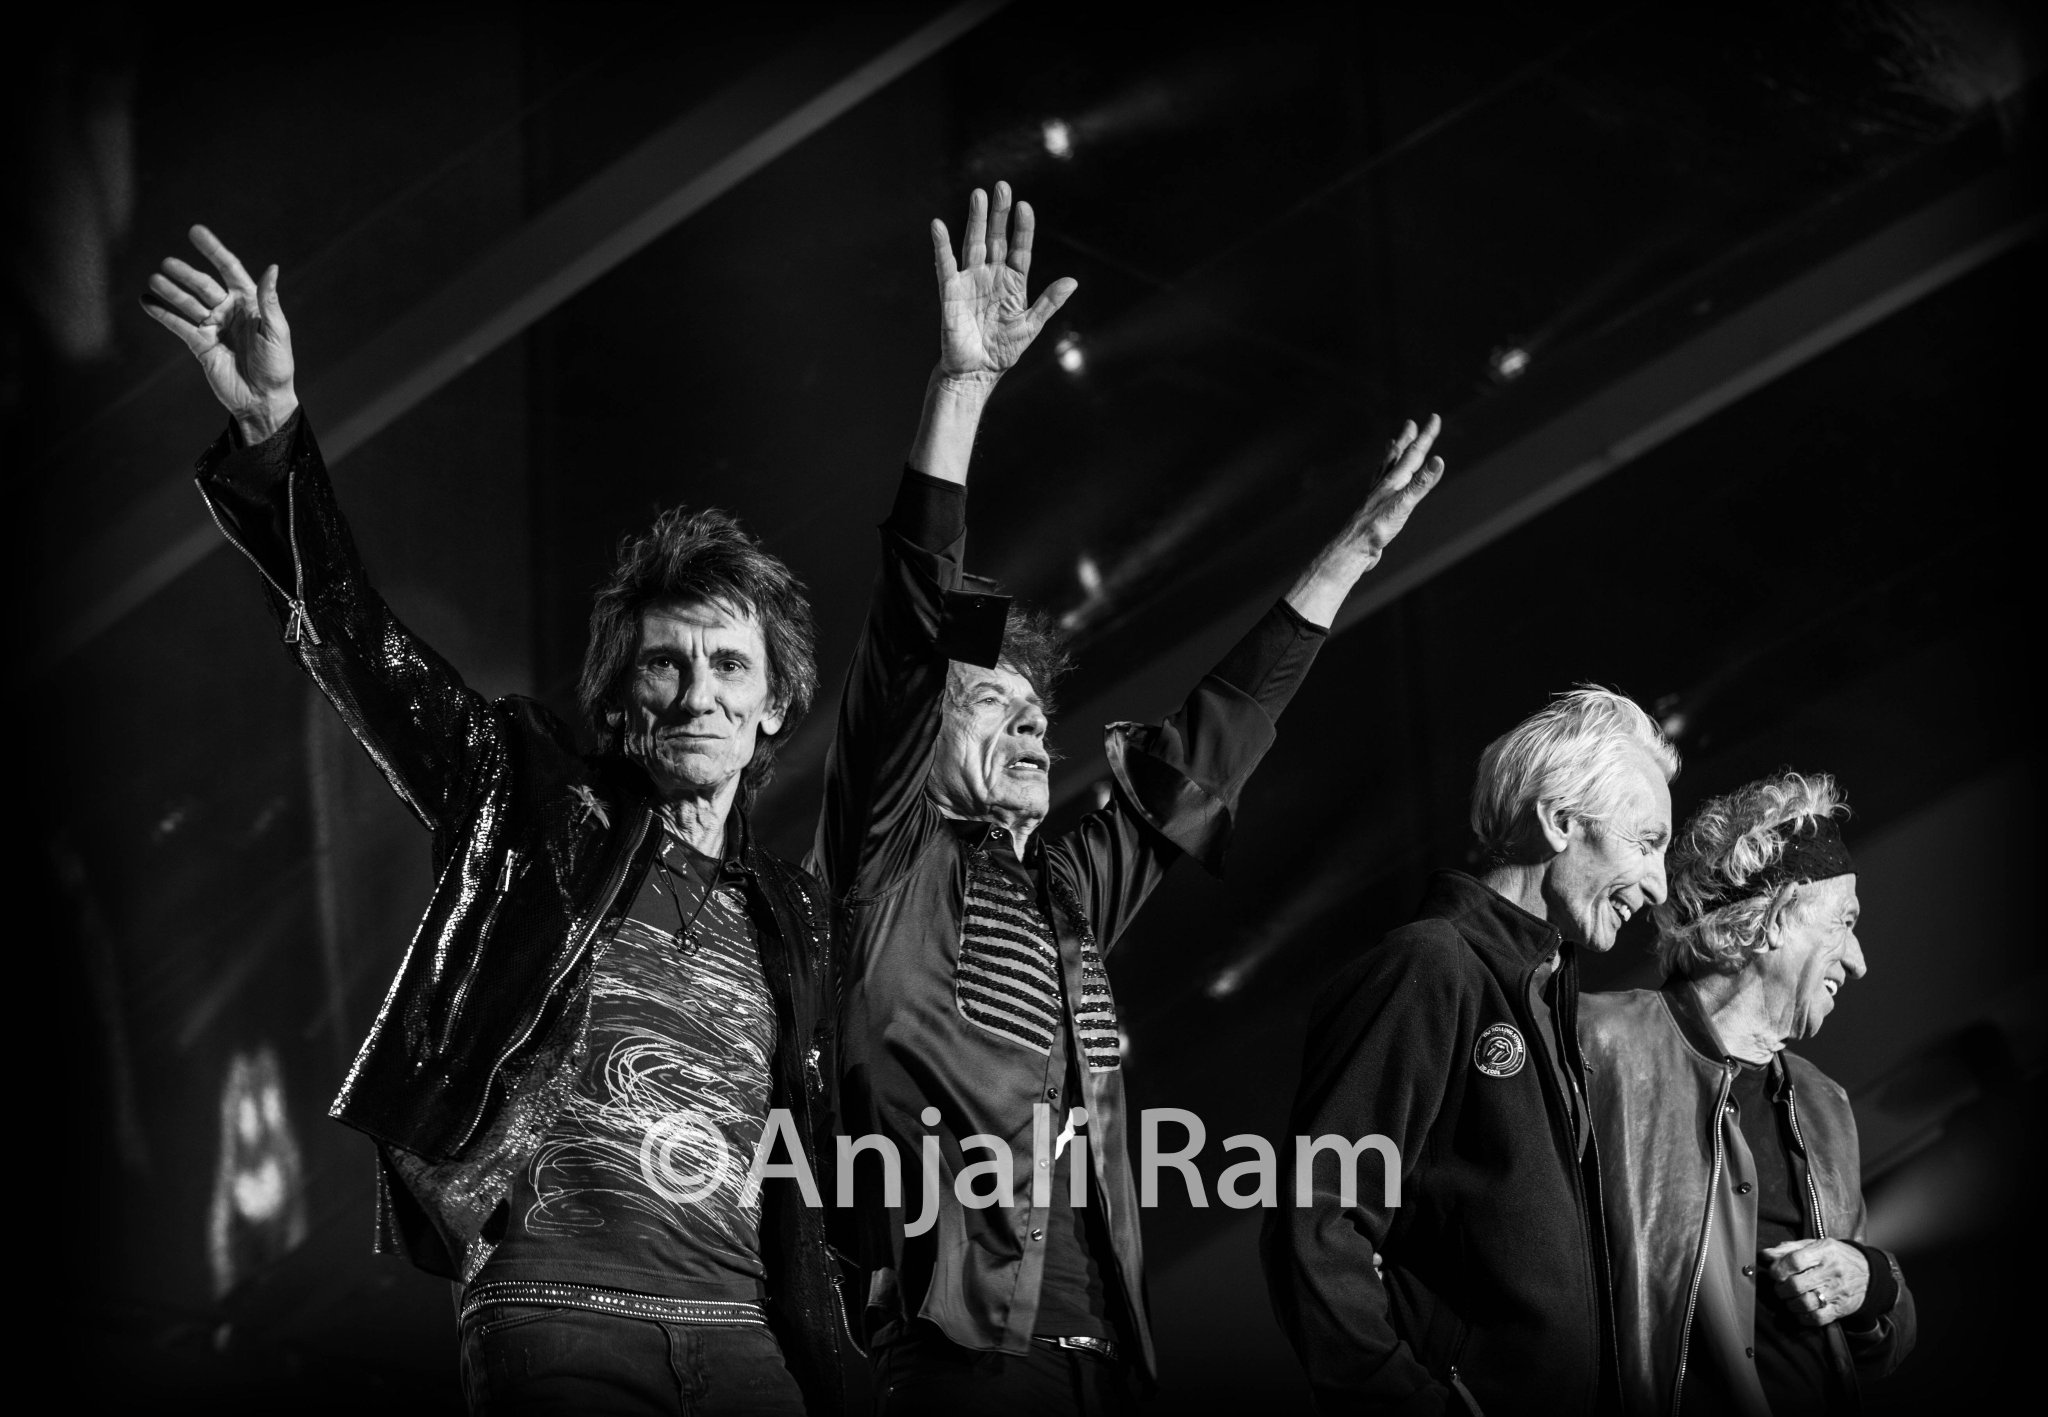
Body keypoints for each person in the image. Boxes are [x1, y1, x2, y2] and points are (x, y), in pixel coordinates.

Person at [145, 226, 852, 1415]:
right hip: (561, 1315)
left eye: (729, 664)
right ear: (619, 696)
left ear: (775, 703)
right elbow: (359, 646)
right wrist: (274, 437)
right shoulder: (529, 801)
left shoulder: (790, 915)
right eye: (665, 663)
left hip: (748, 1339)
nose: (697, 693)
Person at [810, 181, 1446, 1415]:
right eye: (989, 703)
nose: (1029, 723)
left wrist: (1350, 555)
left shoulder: (1063, 889)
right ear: (917, 738)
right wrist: (960, 391)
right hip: (957, 1360)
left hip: (1104, 1359)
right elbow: (910, 623)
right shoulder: (888, 857)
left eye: (1035, 710)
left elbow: (1206, 748)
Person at [1265, 687, 1682, 1414]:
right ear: (1559, 821)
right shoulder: (1432, 966)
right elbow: (1315, 1223)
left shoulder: (1551, 1000)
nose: (1658, 885)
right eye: (1646, 842)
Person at [1579, 771, 1915, 1414]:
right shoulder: (1597, 1042)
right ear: (1777, 917)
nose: (1858, 960)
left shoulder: (1826, 1105)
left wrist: (1872, 1282)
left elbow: (1878, 1346)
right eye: (1844, 923)